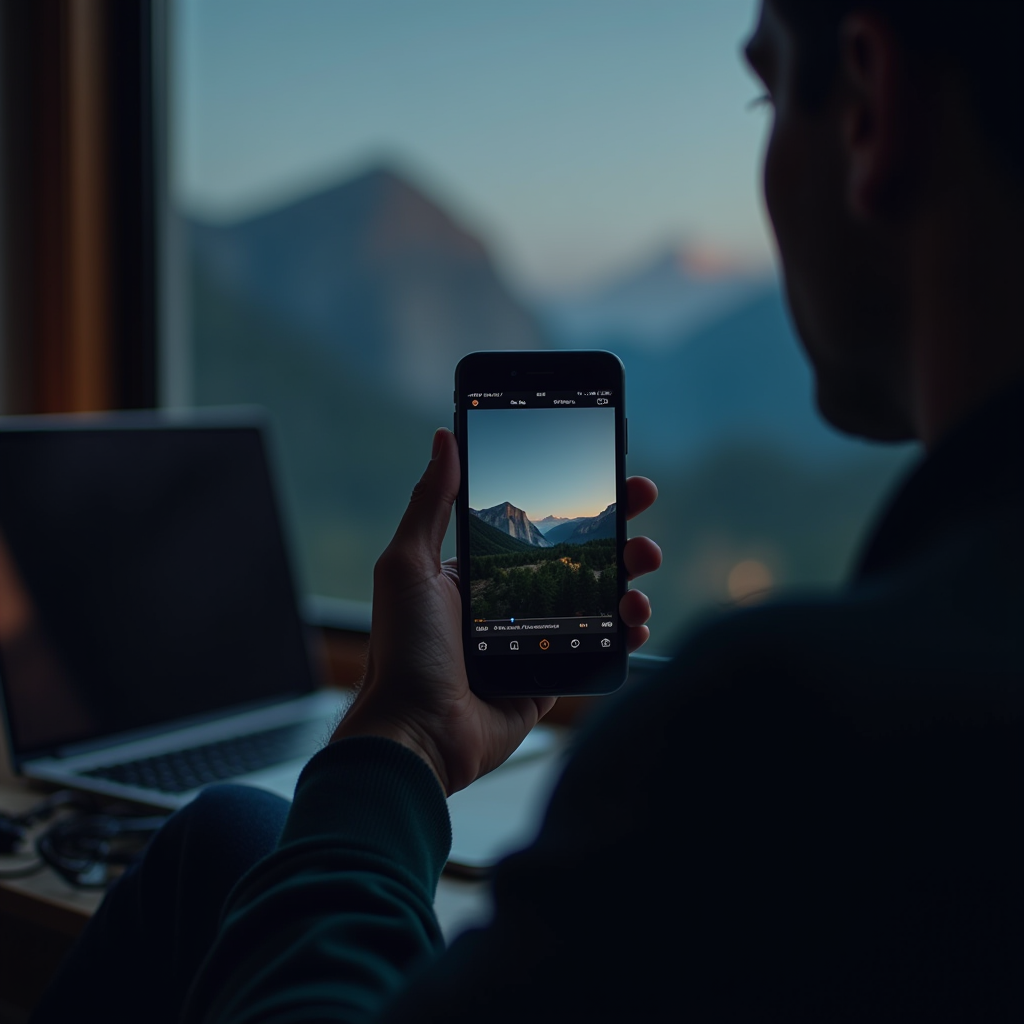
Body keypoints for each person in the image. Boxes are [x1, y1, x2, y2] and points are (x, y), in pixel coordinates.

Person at [31, 0, 1023, 1020]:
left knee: (224, 838)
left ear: (869, 105)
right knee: (229, 827)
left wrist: (403, 739)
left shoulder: (777, 734)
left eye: (764, 93)